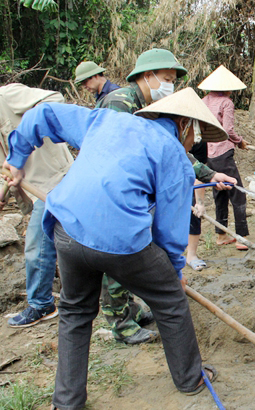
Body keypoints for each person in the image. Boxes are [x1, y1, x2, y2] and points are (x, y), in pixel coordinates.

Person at [3, 87, 234, 409]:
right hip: (121, 240)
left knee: (75, 311)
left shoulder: (105, 120)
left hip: (67, 228)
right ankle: (190, 378)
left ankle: (66, 402)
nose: (193, 141)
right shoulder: (174, 155)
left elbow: (43, 115)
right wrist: (173, 272)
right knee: (169, 301)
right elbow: (169, 229)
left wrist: (16, 159)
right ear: (184, 124)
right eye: (194, 133)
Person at [95, 48, 190, 345]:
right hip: (111, 192)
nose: (169, 85)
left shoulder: (152, 107)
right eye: (166, 78)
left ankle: (131, 309)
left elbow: (164, 149)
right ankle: (121, 325)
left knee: (134, 252)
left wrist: (210, 174)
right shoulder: (119, 103)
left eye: (173, 80)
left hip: (133, 191)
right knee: (118, 257)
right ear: (147, 76)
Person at [0, 84, 74, 328]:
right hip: (32, 190)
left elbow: (56, 99)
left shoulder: (7, 96)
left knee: (37, 243)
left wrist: (28, 132)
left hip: (54, 180)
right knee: (71, 240)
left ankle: (42, 304)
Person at [196, 65, 250, 256]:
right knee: (238, 194)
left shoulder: (203, 101)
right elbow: (227, 130)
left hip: (208, 154)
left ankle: (221, 234)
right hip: (223, 153)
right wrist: (240, 141)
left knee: (220, 194)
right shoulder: (226, 103)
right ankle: (242, 237)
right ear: (228, 87)